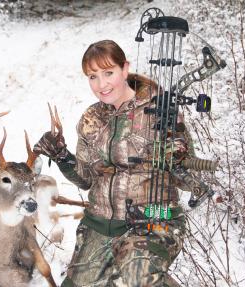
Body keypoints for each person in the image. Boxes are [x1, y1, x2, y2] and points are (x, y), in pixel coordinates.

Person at [34, 40, 190, 287]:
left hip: (152, 221)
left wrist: (177, 158)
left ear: (125, 69)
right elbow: (86, 179)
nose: (101, 84)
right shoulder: (91, 118)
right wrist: (62, 156)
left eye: (109, 73)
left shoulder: (160, 111)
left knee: (138, 274)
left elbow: (187, 181)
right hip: (100, 225)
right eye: (93, 77)